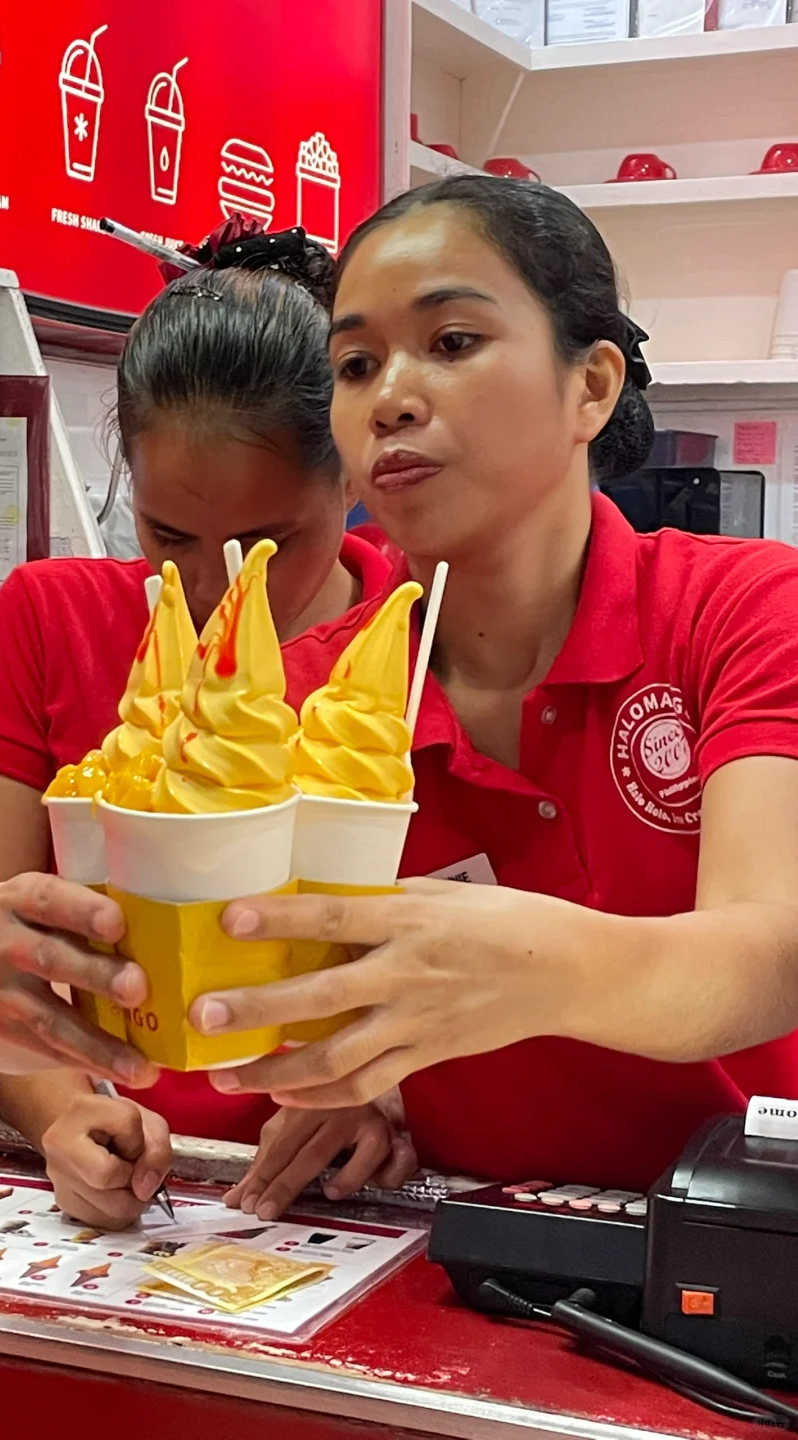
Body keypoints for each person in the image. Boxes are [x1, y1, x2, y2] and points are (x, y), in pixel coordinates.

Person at [180, 176, 798, 1198]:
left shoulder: (738, 612)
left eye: (453, 342)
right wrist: (362, 1094)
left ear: (591, 388)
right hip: (462, 1253)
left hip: (733, 1254)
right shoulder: (299, 695)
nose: (390, 398)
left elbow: (771, 952)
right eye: (354, 364)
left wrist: (537, 966)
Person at [0, 225, 417, 1229]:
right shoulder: (51, 619)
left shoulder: (416, 642)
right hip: (138, 1199)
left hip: (357, 1212)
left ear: (353, 477)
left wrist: (392, 1097)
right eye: (168, 536)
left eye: (267, 545)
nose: (210, 589)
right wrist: (64, 1115)